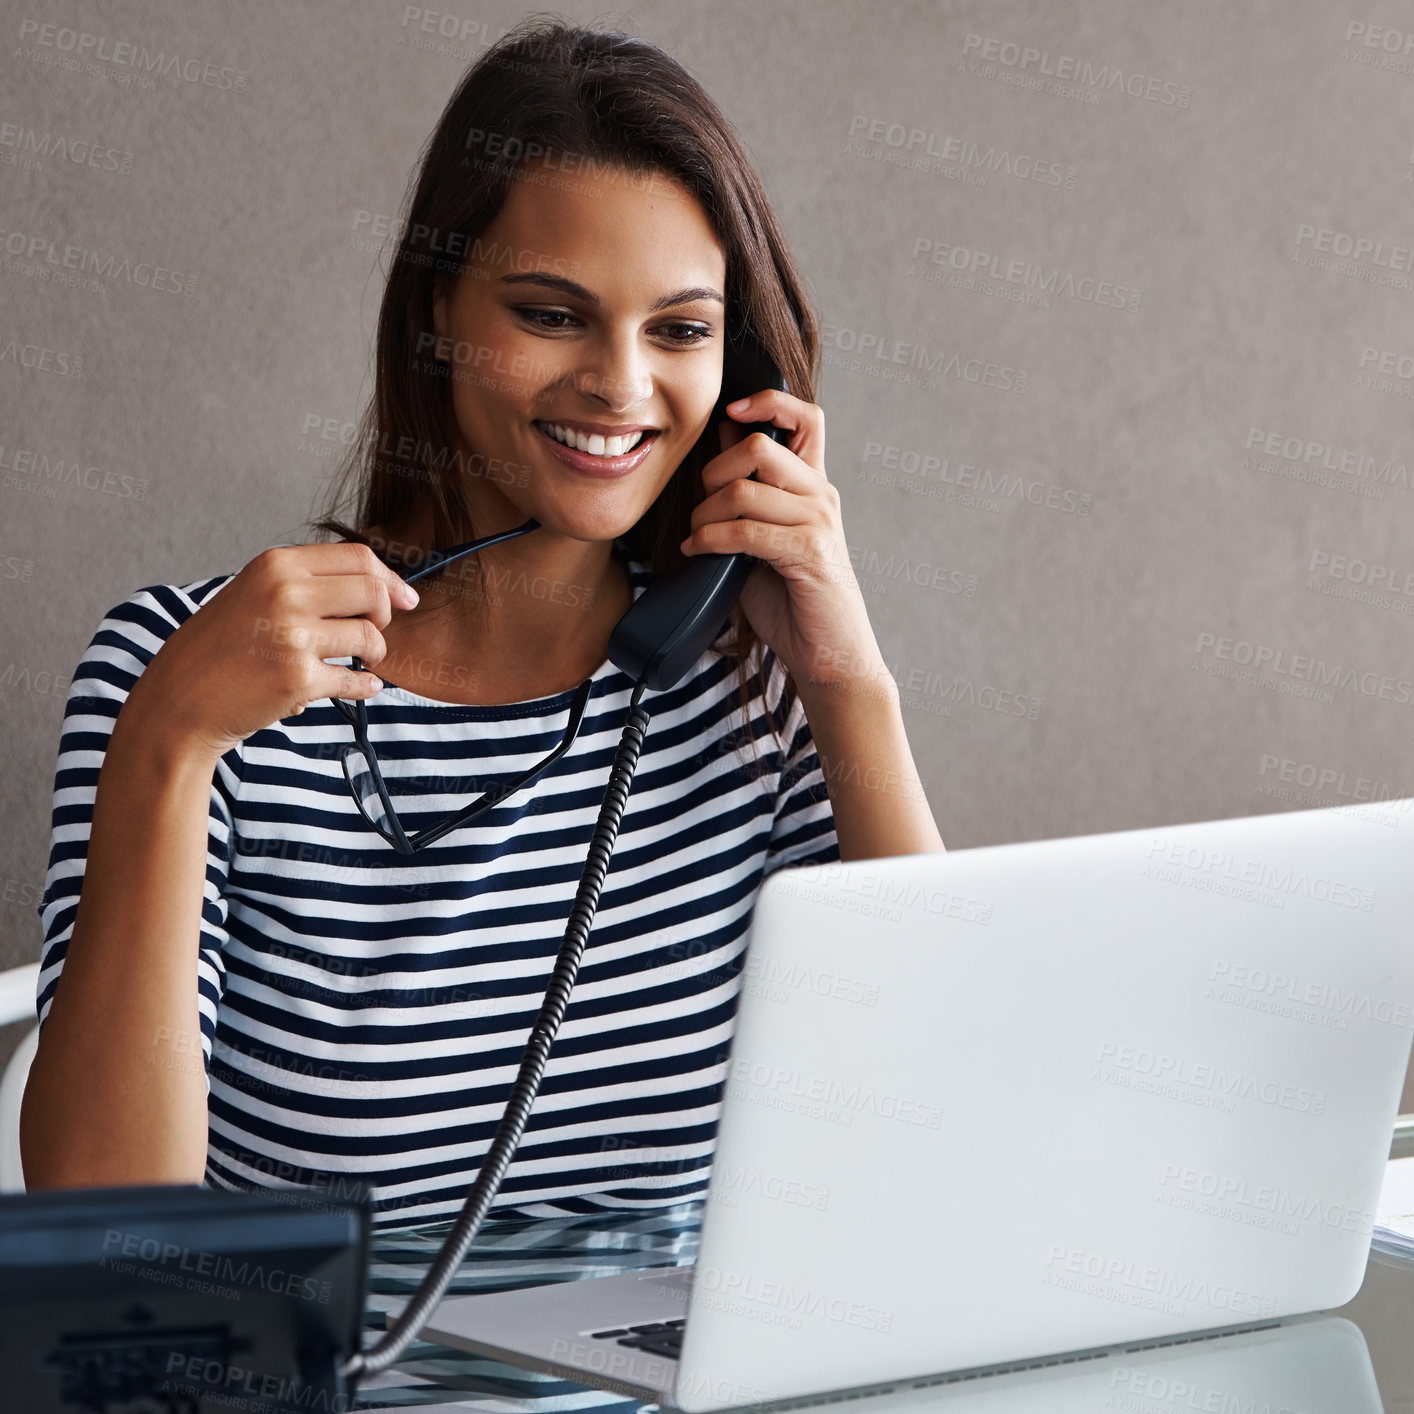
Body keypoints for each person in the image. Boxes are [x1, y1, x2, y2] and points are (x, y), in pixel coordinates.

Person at [20, 18, 943, 1227]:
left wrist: (848, 681)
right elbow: (108, 1221)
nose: (620, 385)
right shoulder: (180, 668)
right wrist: (170, 744)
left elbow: (936, 1123)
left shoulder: (757, 688)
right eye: (551, 314)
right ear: (433, 317)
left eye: (679, 330)